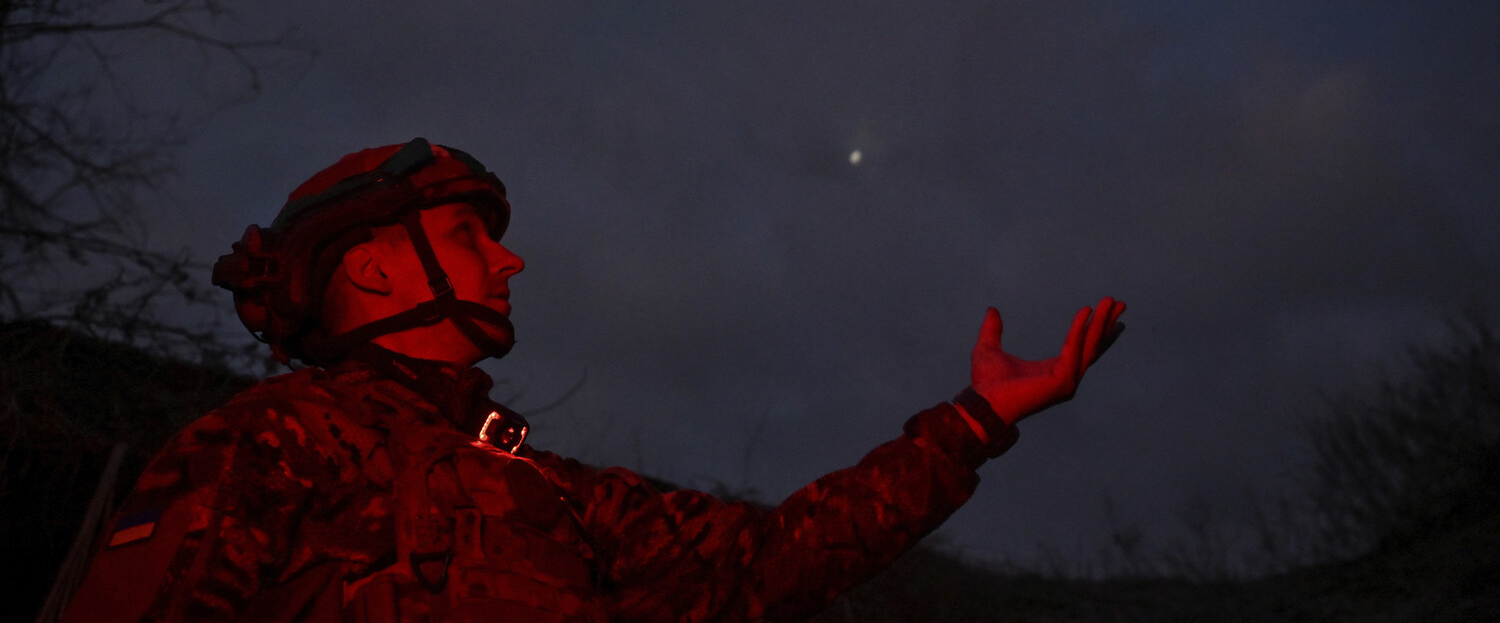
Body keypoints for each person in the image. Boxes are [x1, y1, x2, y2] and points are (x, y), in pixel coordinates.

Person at [60, 138, 1125, 623]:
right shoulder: (270, 439)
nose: (510, 258)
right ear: (378, 265)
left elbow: (773, 560)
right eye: (472, 233)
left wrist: (976, 420)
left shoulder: (551, 488)